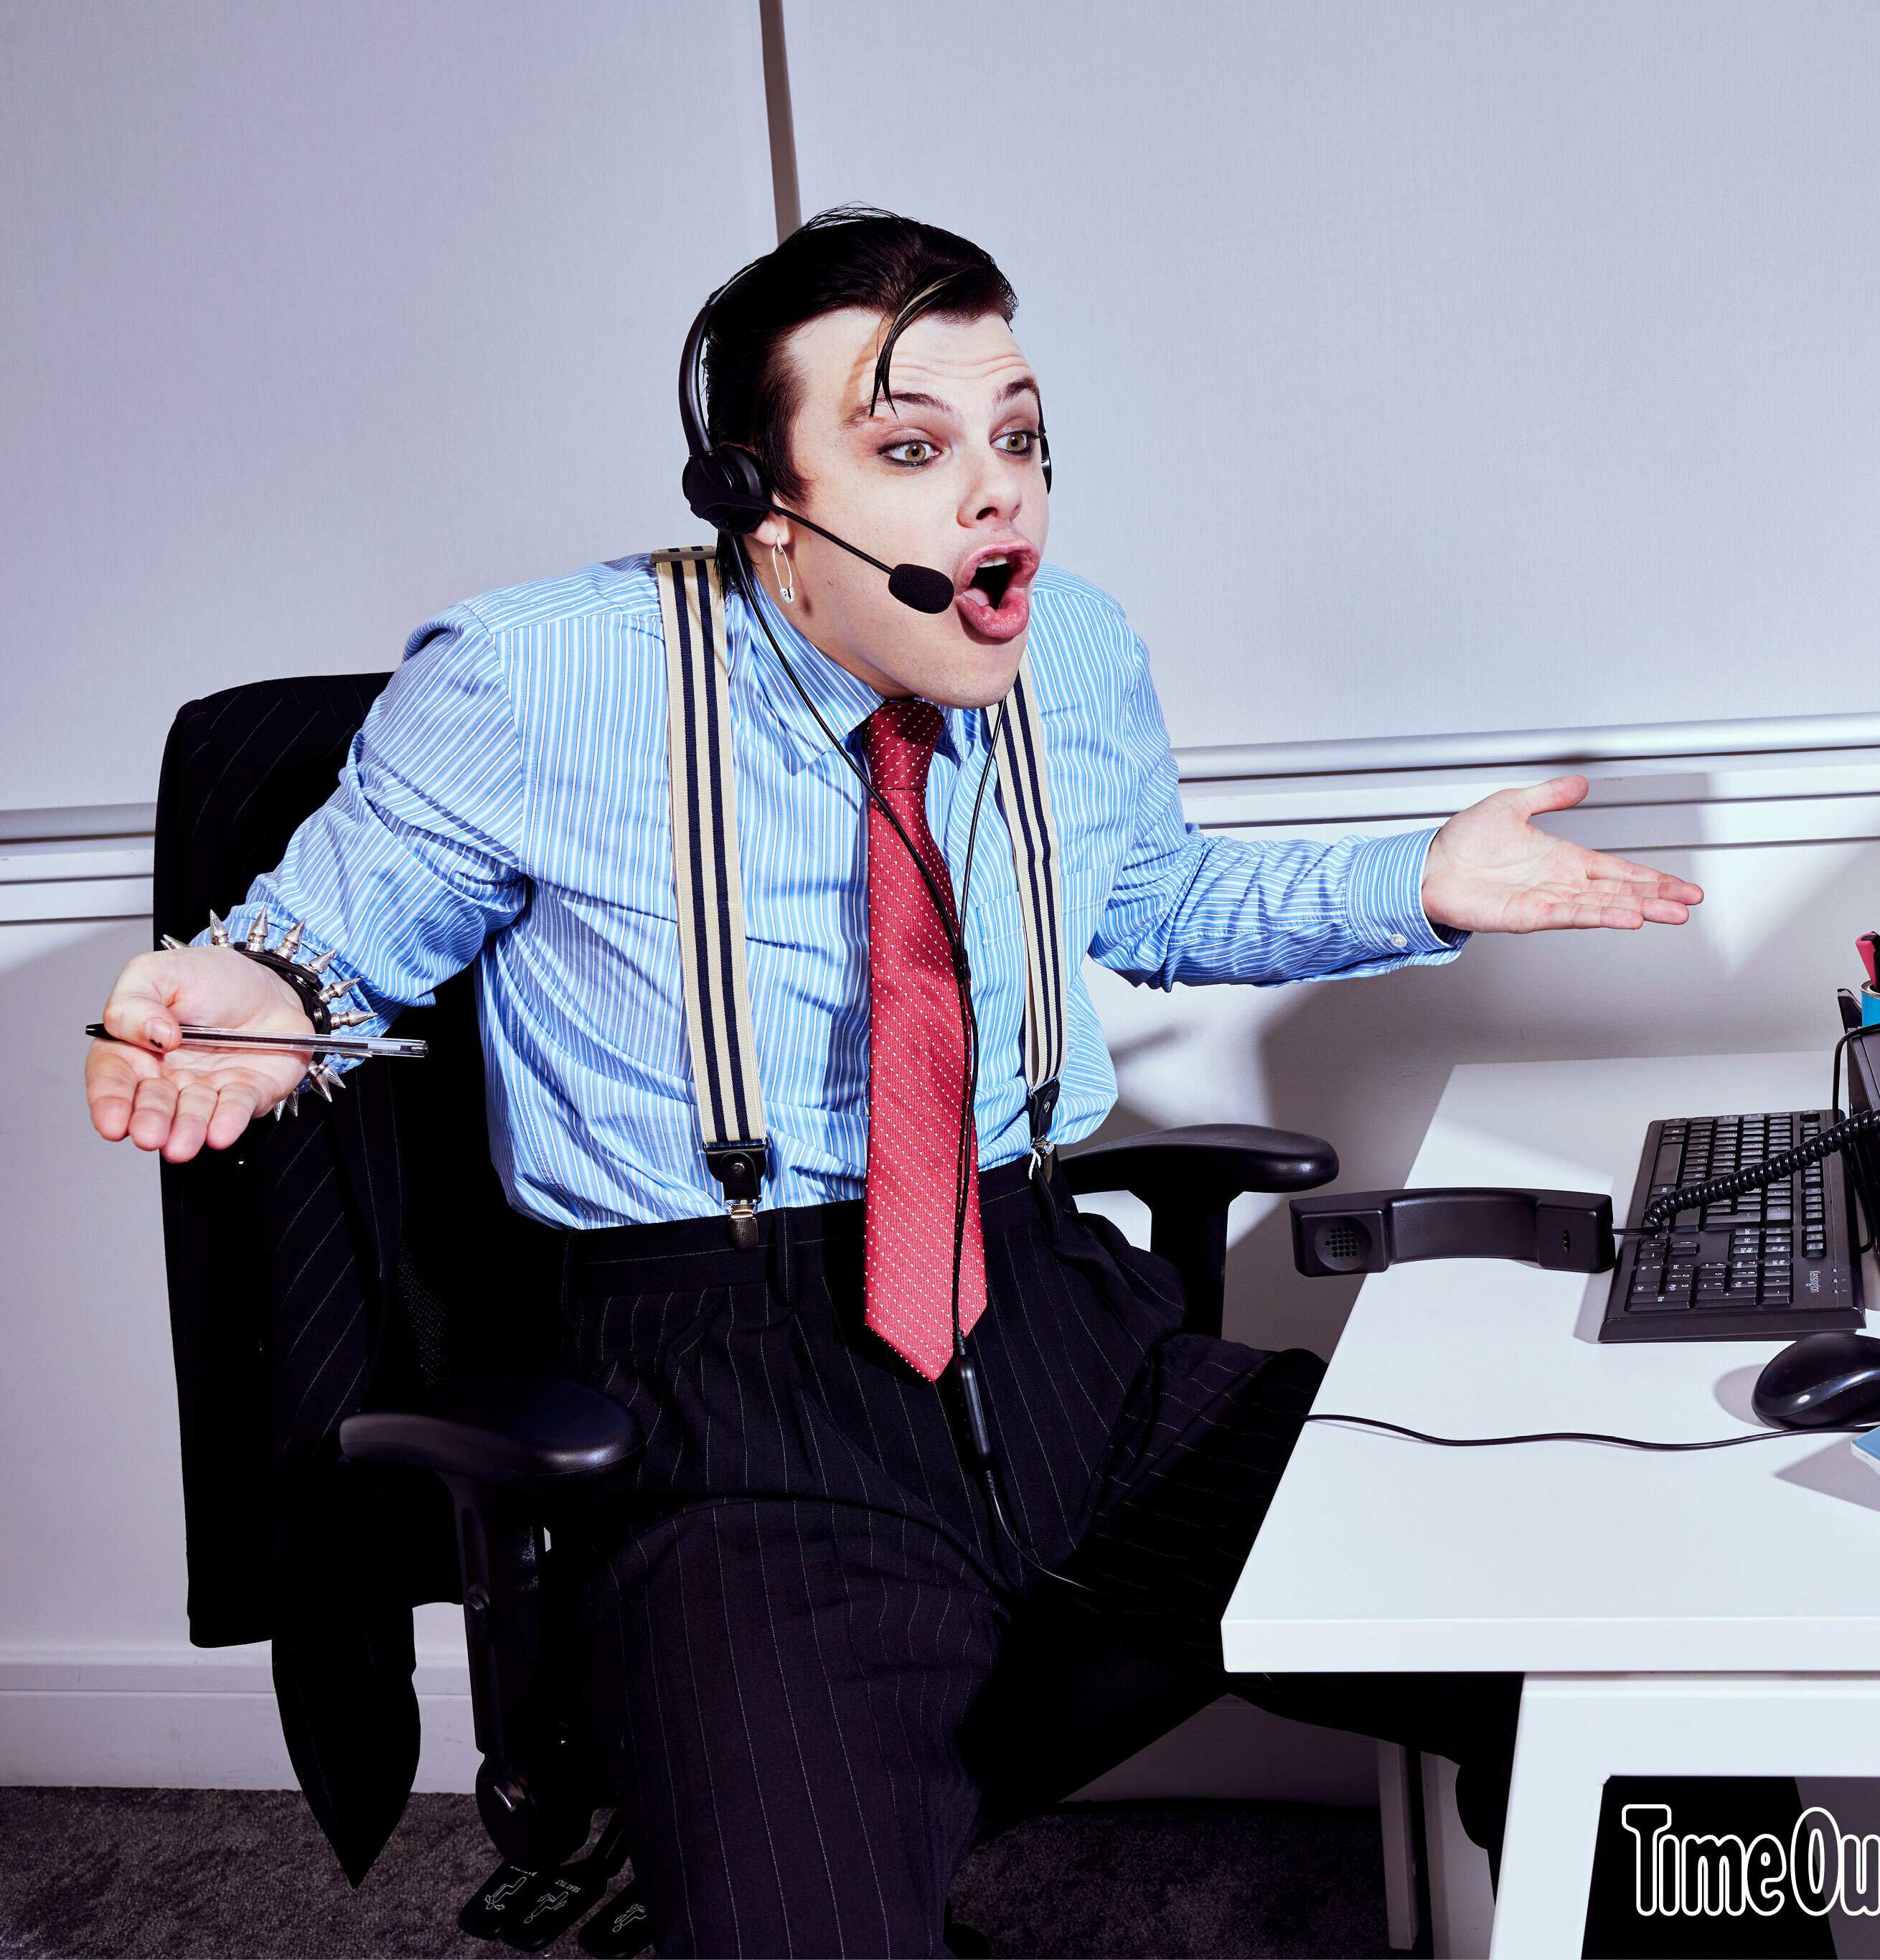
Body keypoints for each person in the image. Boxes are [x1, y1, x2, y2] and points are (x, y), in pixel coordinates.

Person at [86, 210, 1700, 1957]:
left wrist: (1423, 884)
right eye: (914, 450)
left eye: (1019, 438)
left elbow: (1147, 897)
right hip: (731, 1390)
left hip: (1065, 1326)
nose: (997, 493)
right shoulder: (541, 678)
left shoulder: (1068, 649)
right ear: (762, 508)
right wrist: (237, 996)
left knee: (1617, 1663)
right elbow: (331, 940)